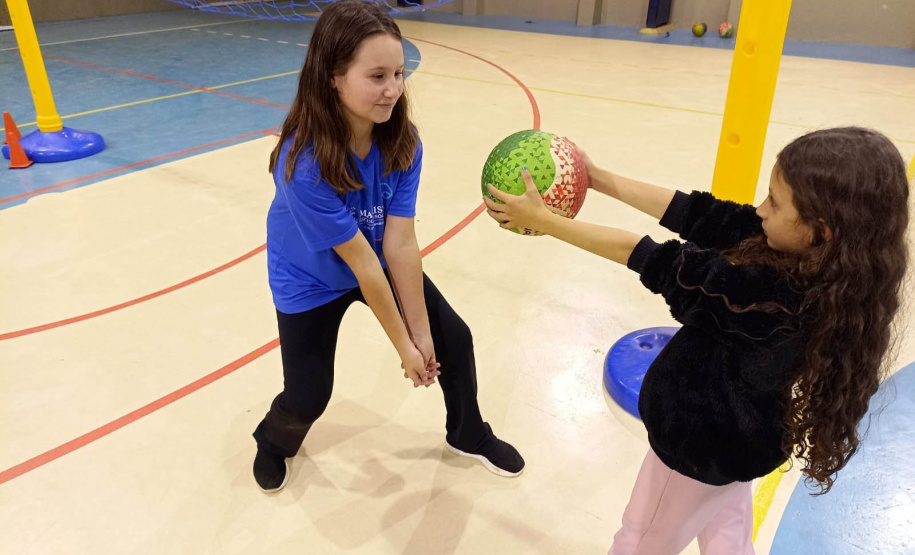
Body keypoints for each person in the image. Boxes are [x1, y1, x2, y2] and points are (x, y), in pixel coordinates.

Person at [484, 127, 910, 554]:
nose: (760, 210)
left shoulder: (769, 297)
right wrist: (597, 177)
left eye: (775, 203)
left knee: (640, 538)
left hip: (698, 447)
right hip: (746, 442)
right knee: (727, 529)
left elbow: (649, 256)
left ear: (822, 229)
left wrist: (546, 222)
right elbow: (701, 215)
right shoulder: (825, 266)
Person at [253, 0, 524, 493]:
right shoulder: (302, 163)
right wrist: (405, 347)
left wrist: (422, 335)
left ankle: (468, 433)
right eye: (376, 76)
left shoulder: (403, 143)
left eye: (399, 73)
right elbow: (360, 262)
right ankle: (272, 443)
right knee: (309, 395)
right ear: (333, 76)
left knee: (453, 339)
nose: (393, 89)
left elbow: (398, 243)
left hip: (374, 257)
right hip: (310, 277)